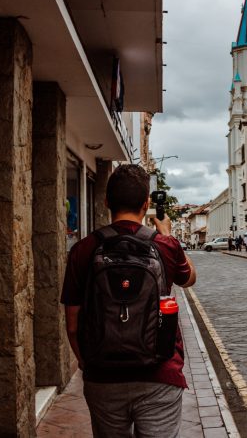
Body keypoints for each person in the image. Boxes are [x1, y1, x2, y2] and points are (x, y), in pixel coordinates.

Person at [60, 164, 197, 438]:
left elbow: (73, 326)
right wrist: (168, 235)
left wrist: (87, 363)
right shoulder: (164, 245)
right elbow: (189, 278)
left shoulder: (83, 250)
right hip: (160, 372)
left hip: (103, 375)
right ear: (146, 204)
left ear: (106, 201)